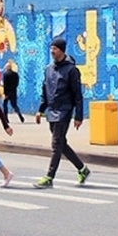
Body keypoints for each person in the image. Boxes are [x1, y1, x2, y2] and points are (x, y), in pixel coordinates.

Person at [34, 37, 90, 188]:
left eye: (55, 49)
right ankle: (82, 169)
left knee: (56, 143)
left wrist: (78, 116)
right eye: (51, 48)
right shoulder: (48, 69)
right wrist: (40, 110)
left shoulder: (71, 70)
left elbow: (77, 95)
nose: (52, 51)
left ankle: (49, 177)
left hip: (64, 111)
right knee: (61, 144)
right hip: (51, 111)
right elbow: (45, 91)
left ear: (62, 50)